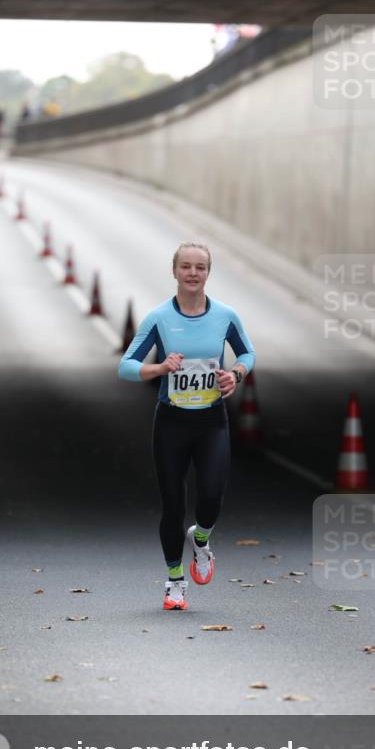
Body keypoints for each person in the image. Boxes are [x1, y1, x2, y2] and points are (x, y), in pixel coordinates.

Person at [118, 242, 255, 611]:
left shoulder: (225, 315)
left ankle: (202, 538)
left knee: (211, 496)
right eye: (186, 267)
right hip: (172, 422)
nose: (193, 273)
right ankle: (175, 581)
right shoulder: (159, 317)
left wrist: (236, 374)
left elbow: (247, 353)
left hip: (212, 420)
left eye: (200, 267)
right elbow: (126, 365)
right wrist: (159, 368)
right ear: (174, 271)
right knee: (173, 505)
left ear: (208, 273)